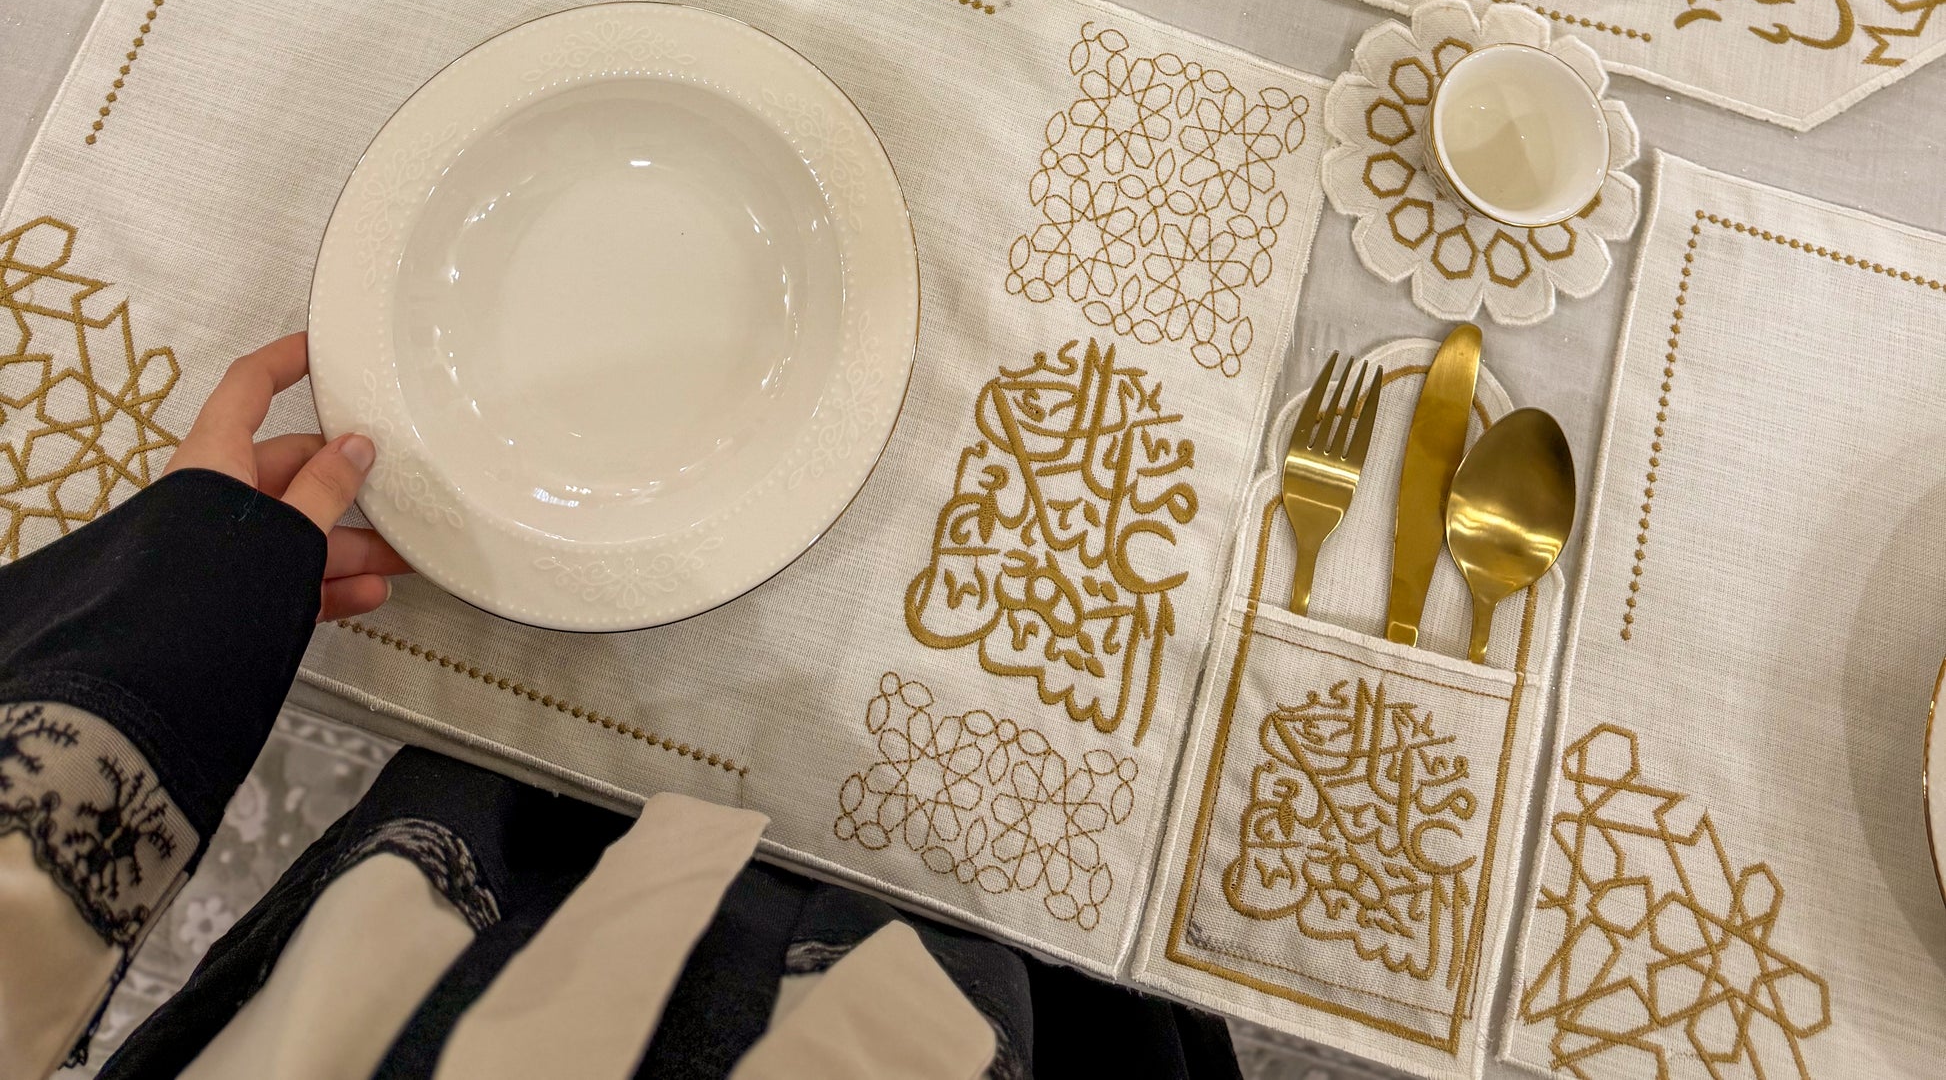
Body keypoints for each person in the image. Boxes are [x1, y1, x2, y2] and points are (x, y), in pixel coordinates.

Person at [0, 336, 1242, 1080]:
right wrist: (161, 617)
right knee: (987, 880)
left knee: (568, 784)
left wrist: (175, 608)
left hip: (408, 988)